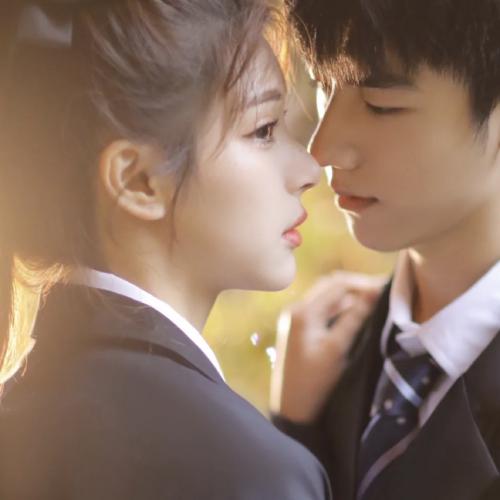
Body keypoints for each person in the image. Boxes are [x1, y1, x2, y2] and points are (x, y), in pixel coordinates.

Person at [0, 1, 344, 498]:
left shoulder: (18, 418)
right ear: (139, 180)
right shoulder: (249, 472)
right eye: (264, 130)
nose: (309, 171)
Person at [271, 1, 500, 499]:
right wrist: (294, 430)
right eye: (323, 86)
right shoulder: (330, 354)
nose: (322, 149)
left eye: (380, 105)